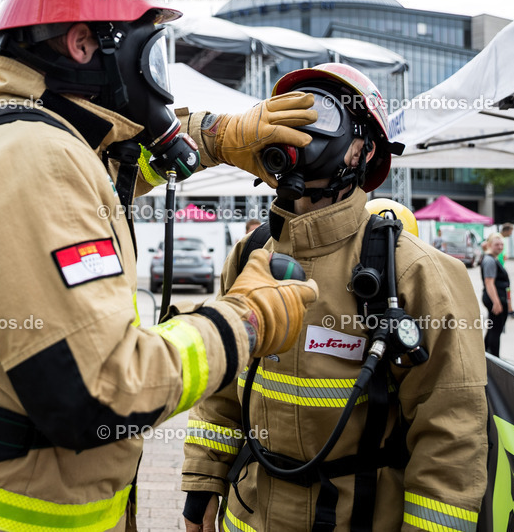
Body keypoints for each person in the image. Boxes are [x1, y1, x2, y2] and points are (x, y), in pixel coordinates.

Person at [0, 0, 321, 531]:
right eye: (150, 47)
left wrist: (217, 136)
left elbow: (114, 173)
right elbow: (100, 393)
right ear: (83, 42)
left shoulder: (20, 135)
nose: (157, 74)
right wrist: (246, 319)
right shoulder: (35, 161)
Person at [181, 64, 487, 532]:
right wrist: (204, 480)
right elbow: (221, 389)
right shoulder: (249, 256)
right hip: (249, 517)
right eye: (289, 115)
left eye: (322, 115)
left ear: (364, 148)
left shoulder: (415, 271)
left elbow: (452, 431)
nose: (300, 130)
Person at [481, 232, 510, 356]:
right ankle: (494, 357)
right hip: (495, 298)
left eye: (501, 244)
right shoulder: (490, 261)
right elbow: (489, 282)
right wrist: (496, 302)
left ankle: (485, 354)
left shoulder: (493, 258)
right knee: (495, 330)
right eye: (497, 244)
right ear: (489, 245)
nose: (500, 247)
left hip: (497, 297)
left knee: (493, 329)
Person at [497, 223, 514, 318]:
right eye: (511, 231)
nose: (511, 234)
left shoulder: (500, 238)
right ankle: (509, 310)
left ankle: (509, 309)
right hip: (499, 269)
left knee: (506, 289)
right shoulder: (498, 238)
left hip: (501, 268)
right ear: (506, 230)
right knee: (506, 289)